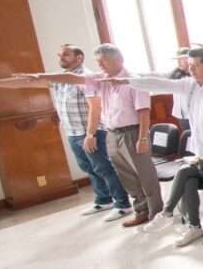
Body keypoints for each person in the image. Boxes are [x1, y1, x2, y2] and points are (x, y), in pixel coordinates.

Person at [0, 45, 131, 221]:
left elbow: (96, 107)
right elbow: (29, 82)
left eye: (66, 54)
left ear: (79, 58)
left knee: (104, 168)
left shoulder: (84, 78)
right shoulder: (60, 79)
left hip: (89, 132)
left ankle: (123, 204)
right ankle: (104, 200)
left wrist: (91, 135)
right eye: (60, 55)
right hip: (72, 132)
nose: (61, 57)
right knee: (88, 168)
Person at [113, 49, 203, 250]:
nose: (190, 69)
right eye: (189, 65)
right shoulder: (190, 86)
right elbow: (161, 83)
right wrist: (127, 81)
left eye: (195, 66)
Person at [22, 44, 163, 227]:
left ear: (117, 60)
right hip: (112, 133)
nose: (100, 66)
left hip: (133, 132)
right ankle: (141, 211)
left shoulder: (133, 81)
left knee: (145, 175)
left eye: (103, 61)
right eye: (98, 62)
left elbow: (144, 112)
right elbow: (72, 77)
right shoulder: (101, 79)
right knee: (126, 175)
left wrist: (143, 137)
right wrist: (40, 77)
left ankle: (158, 213)